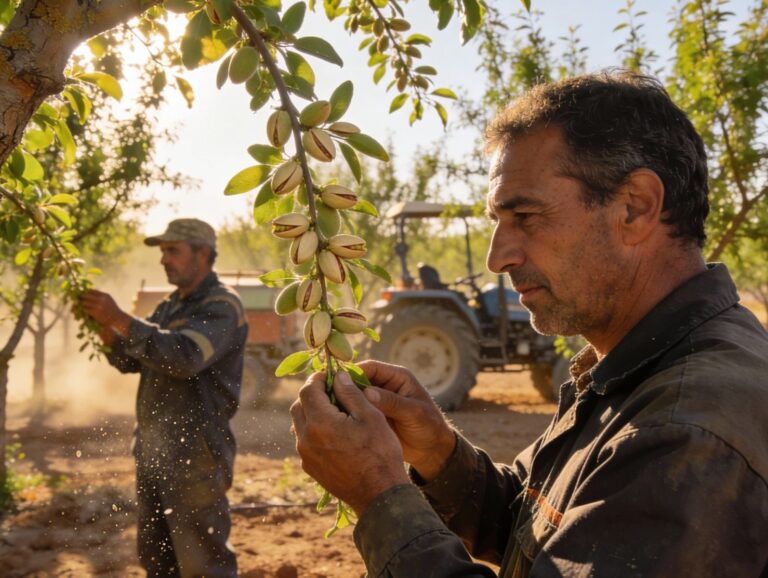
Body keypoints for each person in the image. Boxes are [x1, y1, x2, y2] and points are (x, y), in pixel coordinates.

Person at [290, 70, 768, 576]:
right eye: (497, 222)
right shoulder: (635, 369)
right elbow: (539, 524)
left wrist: (379, 492)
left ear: (635, 207)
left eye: (526, 217)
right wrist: (439, 453)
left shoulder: (683, 431)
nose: (498, 257)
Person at [79, 218, 248, 578]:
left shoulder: (222, 306)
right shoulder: (170, 306)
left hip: (196, 453)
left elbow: (184, 356)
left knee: (203, 562)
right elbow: (131, 360)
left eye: (173, 250)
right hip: (155, 449)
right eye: (162, 252)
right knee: (158, 558)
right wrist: (104, 329)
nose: (163, 260)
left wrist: (118, 317)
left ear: (203, 254)